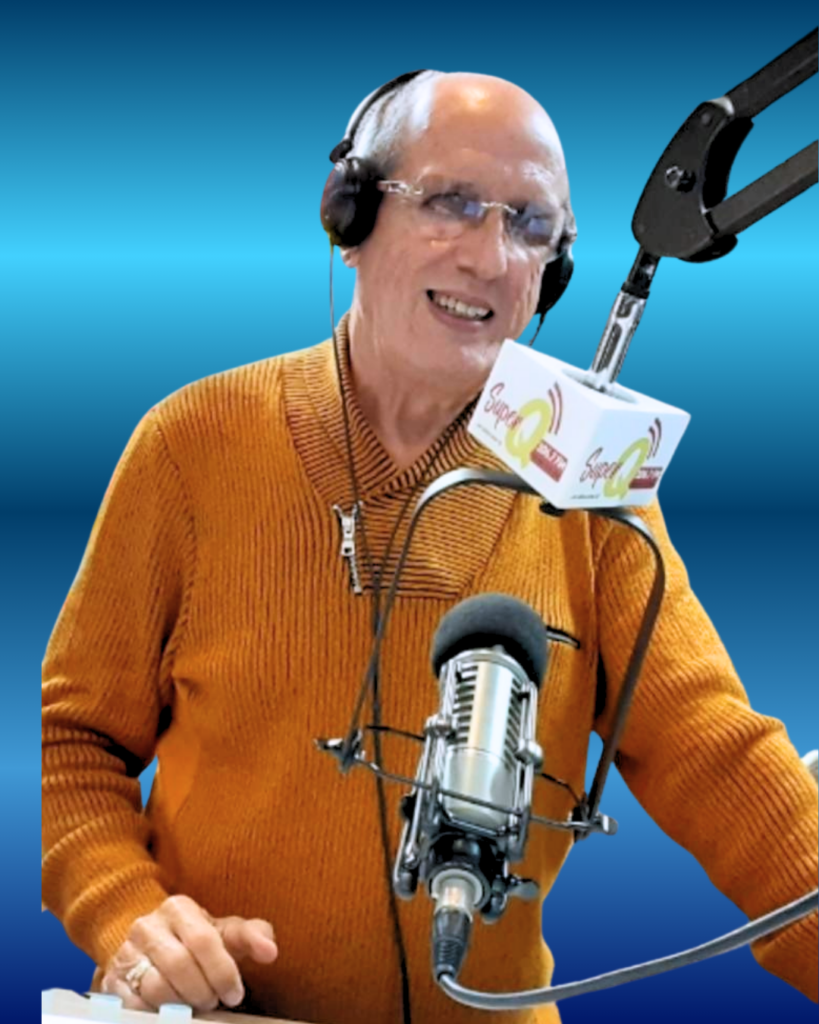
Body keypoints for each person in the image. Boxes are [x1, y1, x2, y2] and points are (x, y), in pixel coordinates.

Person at [41, 70, 818, 1024]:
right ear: (351, 214)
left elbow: (716, 757)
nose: (490, 257)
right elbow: (69, 743)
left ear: (554, 271)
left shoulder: (589, 482)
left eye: (530, 226)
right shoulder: (191, 444)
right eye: (451, 203)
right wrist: (126, 914)